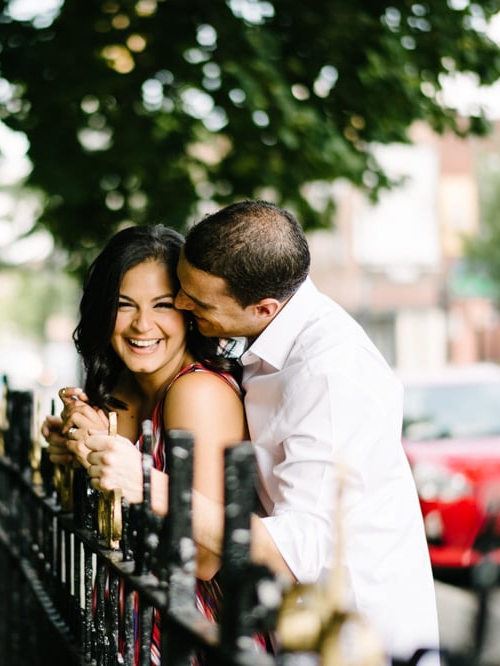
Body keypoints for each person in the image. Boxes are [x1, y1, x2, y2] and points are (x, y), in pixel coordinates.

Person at [85, 200, 440, 661]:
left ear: (263, 307)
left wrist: (148, 484)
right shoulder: (265, 329)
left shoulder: (329, 374)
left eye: (196, 300)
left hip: (354, 636)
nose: (184, 307)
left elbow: (300, 553)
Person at [40, 224, 257, 664]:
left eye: (162, 305)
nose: (142, 324)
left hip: (189, 640)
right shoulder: (118, 386)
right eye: (124, 305)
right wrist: (75, 452)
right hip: (118, 637)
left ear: (189, 311)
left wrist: (112, 468)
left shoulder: (198, 392)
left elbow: (204, 560)